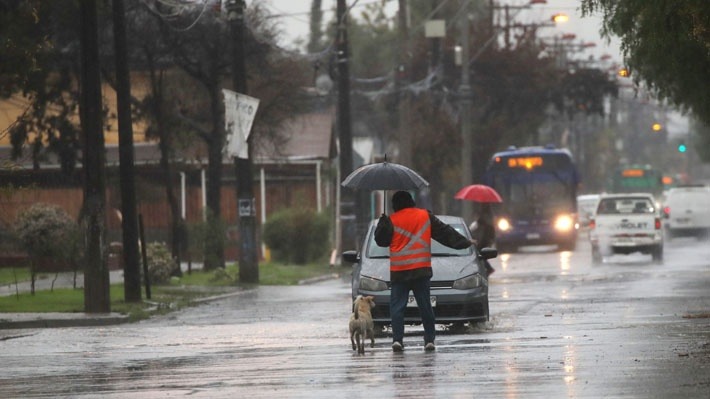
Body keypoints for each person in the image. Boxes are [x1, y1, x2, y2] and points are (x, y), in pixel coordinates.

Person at [375, 191, 473, 352]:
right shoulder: (424, 216)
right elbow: (444, 233)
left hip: (399, 271)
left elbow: (381, 241)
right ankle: (429, 340)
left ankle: (398, 340)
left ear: (395, 205)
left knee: (397, 308)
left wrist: (383, 222)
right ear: (412, 201)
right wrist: (465, 242)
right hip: (421, 270)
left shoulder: (392, 220)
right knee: (425, 306)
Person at [469, 203, 496, 276]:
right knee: (481, 254)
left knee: (480, 253)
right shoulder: (489, 215)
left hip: (484, 238)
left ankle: (489, 268)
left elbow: (482, 222)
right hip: (486, 237)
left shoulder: (485, 215)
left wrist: (479, 219)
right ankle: (487, 268)